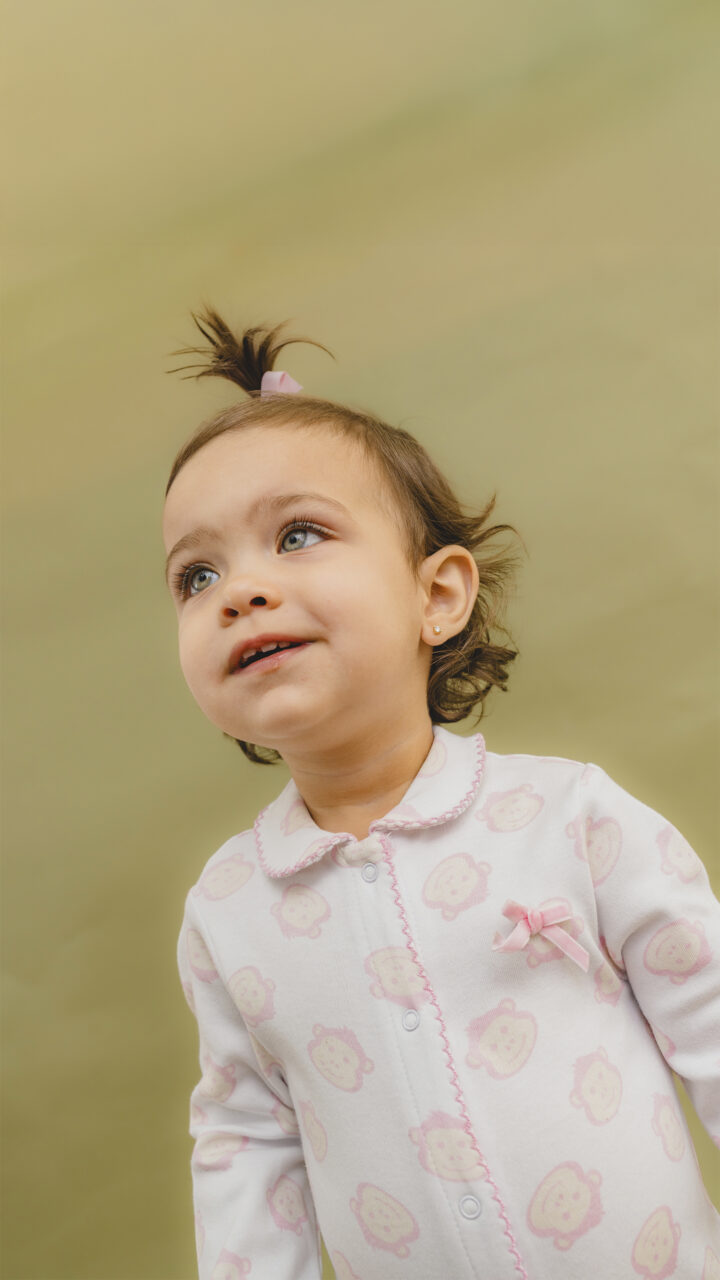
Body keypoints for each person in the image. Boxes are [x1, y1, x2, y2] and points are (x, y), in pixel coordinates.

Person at [165, 310, 720, 1280]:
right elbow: (247, 1142)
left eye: (299, 534)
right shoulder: (229, 911)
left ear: (440, 595)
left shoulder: (570, 821)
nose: (239, 590)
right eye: (196, 573)